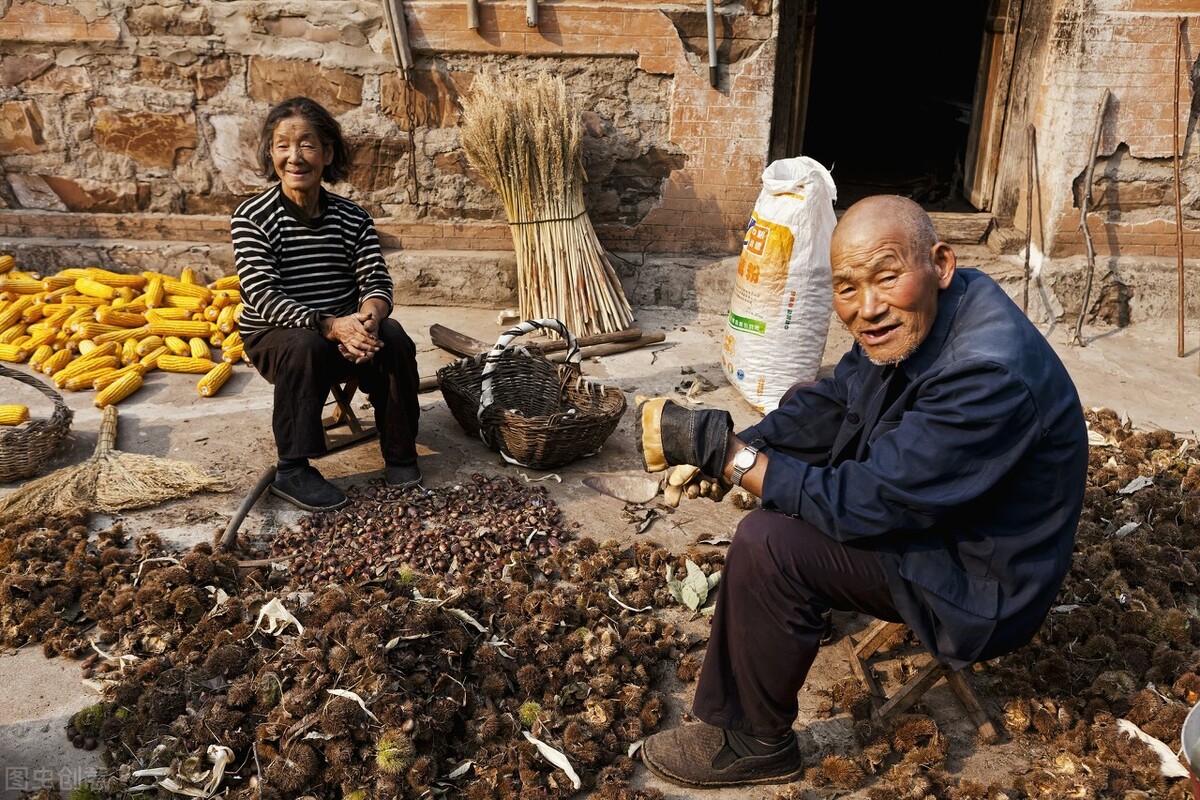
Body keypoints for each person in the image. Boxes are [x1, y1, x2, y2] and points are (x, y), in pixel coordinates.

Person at [635, 194, 1089, 788]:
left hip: (980, 579)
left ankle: (753, 741)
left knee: (768, 544)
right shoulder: (932, 308)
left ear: (940, 264)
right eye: (847, 288)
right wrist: (744, 444)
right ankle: (799, 611)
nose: (868, 308)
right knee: (802, 407)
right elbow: (836, 402)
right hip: (940, 514)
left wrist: (733, 460)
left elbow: (865, 502)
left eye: (887, 277)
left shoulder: (986, 372)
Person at [231, 96, 423, 512]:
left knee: (394, 337)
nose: (294, 157)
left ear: (328, 153)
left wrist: (367, 321)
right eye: (283, 146)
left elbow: (376, 282)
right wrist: (331, 326)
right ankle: (292, 469)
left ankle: (400, 451)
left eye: (307, 144)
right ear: (271, 154)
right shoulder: (253, 217)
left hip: (346, 333)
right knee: (306, 344)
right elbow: (262, 294)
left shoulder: (353, 218)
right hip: (280, 337)